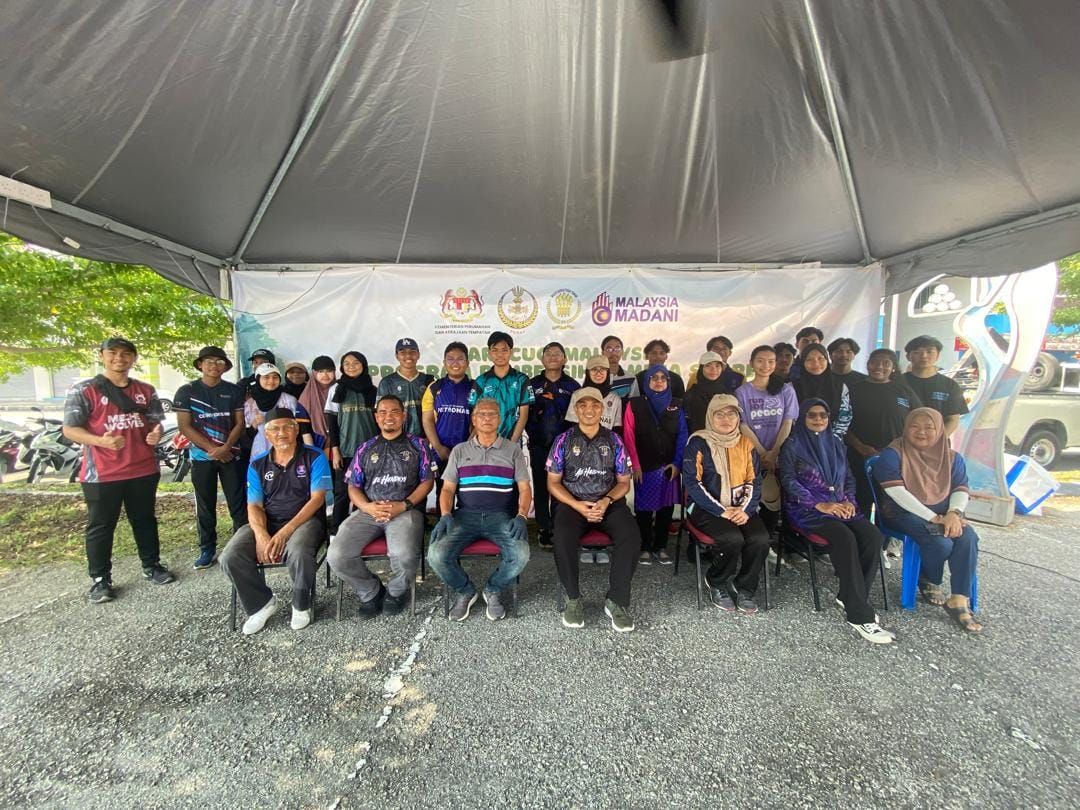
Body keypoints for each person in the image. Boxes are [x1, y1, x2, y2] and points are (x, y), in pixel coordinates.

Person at [62, 337, 174, 602]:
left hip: (143, 468)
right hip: (102, 473)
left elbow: (155, 422)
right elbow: (70, 429)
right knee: (101, 525)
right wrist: (101, 441)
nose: (119, 358)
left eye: (126, 354)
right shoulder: (85, 390)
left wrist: (156, 433)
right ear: (101, 355)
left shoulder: (145, 390)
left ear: (134, 358)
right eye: (112, 353)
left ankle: (152, 565)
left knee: (145, 519)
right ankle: (100, 580)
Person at [779, 399, 895, 644]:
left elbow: (849, 478)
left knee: (873, 536)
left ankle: (849, 595)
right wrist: (819, 504)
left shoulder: (836, 443)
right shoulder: (792, 445)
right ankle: (859, 615)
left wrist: (849, 501)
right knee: (844, 537)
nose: (818, 419)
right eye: (812, 415)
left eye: (823, 415)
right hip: (808, 510)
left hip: (840, 505)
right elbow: (788, 480)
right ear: (803, 417)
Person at [219, 408, 332, 635]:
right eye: (275, 429)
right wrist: (262, 535)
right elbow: (254, 506)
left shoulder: (315, 456)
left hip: (305, 521)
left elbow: (317, 499)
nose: (282, 433)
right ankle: (261, 604)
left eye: (287, 427)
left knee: (299, 551)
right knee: (230, 556)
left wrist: (285, 532)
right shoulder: (257, 464)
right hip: (269, 520)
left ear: (296, 430)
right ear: (267, 434)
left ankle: (301, 604)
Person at [872, 408, 982, 633]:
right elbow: (896, 493)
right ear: (906, 428)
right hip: (901, 512)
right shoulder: (893, 454)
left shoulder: (952, 457)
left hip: (944, 514)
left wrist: (954, 514)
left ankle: (959, 598)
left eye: (929, 427)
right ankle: (927, 577)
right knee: (940, 542)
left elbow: (961, 488)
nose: (921, 432)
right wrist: (934, 518)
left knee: (968, 537)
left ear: (940, 429)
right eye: (915, 426)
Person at [328, 395, 436, 618]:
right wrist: (367, 507)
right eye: (383, 412)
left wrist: (405, 504)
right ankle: (370, 591)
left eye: (395, 412)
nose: (389, 417)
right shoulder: (365, 447)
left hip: (405, 511)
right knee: (337, 555)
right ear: (376, 417)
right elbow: (353, 486)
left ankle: (396, 592)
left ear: (403, 416)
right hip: (369, 511)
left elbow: (427, 481)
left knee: (404, 555)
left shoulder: (419, 445)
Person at [427, 398, 533, 621]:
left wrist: (522, 515)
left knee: (521, 555)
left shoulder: (512, 450)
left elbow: (525, 488)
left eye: (492, 414)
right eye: (481, 414)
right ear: (473, 420)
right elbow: (447, 489)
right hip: (465, 517)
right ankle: (465, 591)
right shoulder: (459, 450)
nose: (487, 418)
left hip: (500, 517)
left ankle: (493, 589)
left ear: (499, 419)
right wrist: (445, 515)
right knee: (436, 555)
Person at [546, 387, 641, 632]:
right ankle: (573, 598)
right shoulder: (564, 440)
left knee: (631, 537)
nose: (589, 410)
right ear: (576, 409)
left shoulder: (614, 440)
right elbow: (553, 483)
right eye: (583, 405)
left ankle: (616, 601)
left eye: (595, 405)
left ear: (602, 409)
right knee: (562, 537)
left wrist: (606, 500)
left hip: (608, 502)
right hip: (573, 503)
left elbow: (623, 482)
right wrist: (576, 504)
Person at [681, 394, 769, 613]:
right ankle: (717, 581)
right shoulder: (698, 442)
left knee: (760, 539)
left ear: (738, 417)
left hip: (741, 507)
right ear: (710, 416)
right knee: (732, 538)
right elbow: (692, 482)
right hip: (705, 508)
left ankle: (745, 586)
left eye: (731, 413)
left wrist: (745, 510)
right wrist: (721, 510)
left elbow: (754, 481)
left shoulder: (746, 443)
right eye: (719, 414)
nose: (726, 419)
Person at [173, 346, 247, 570]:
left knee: (238, 502)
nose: (214, 366)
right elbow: (184, 426)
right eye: (209, 361)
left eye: (219, 362)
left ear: (225, 366)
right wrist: (213, 449)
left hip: (231, 455)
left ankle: (241, 546)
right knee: (205, 504)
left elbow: (240, 423)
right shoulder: (187, 391)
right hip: (202, 456)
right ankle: (207, 548)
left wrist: (226, 448)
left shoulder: (233, 390)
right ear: (200, 365)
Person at [623, 365, 687, 565]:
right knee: (643, 508)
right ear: (647, 381)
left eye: (663, 378)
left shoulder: (676, 404)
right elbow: (628, 435)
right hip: (644, 466)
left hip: (669, 467)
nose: (659, 381)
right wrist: (635, 464)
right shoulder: (634, 405)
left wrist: (677, 463)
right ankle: (644, 546)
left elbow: (682, 435)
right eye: (654, 378)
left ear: (668, 382)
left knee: (666, 508)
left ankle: (661, 546)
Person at [845, 348, 922, 515]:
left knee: (890, 505)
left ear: (893, 367)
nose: (879, 366)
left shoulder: (903, 390)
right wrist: (860, 447)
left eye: (886, 363)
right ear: (868, 365)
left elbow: (918, 420)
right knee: (861, 502)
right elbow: (843, 424)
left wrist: (899, 449)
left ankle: (886, 532)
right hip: (859, 457)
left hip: (896, 457)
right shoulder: (853, 390)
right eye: (874, 362)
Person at [735, 345, 798, 534]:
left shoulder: (786, 390)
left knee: (774, 501)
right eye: (760, 361)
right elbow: (743, 425)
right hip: (752, 454)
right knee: (751, 500)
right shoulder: (742, 392)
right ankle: (753, 540)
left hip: (781, 455)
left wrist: (774, 453)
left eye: (771, 361)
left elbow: (787, 422)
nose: (766, 365)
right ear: (751, 363)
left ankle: (768, 540)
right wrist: (763, 453)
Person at [527, 342, 580, 548]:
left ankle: (560, 526)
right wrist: (533, 436)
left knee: (562, 487)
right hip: (539, 445)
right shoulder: (532, 384)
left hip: (565, 448)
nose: (552, 357)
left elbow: (577, 418)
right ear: (542, 359)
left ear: (564, 359)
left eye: (557, 353)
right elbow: (525, 414)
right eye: (548, 353)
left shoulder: (573, 386)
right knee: (541, 487)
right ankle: (544, 527)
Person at [325, 351, 378, 532]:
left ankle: (357, 530)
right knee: (342, 492)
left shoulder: (373, 390)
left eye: (356, 363)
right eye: (346, 363)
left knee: (364, 491)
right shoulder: (336, 389)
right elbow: (332, 422)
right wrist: (335, 450)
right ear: (341, 367)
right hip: (345, 450)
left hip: (371, 450)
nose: (351, 366)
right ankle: (336, 531)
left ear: (363, 365)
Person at [421, 341, 474, 508]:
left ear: (467, 363)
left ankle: (464, 524)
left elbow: (479, 422)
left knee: (466, 494)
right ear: (444, 362)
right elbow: (427, 420)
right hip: (440, 452)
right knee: (443, 492)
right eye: (450, 359)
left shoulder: (475, 388)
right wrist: (438, 448)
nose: (455, 363)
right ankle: (443, 522)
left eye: (460, 359)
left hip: (468, 452)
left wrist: (467, 447)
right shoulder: (434, 387)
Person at [468, 331, 535, 441]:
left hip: (511, 442)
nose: (500, 355)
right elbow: (475, 416)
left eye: (504, 350)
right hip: (484, 443)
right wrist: (473, 442)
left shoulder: (521, 379)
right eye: (495, 350)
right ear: (489, 353)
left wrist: (512, 443)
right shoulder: (481, 381)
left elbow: (523, 416)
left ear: (511, 352)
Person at [902, 335, 969, 436]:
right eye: (917, 352)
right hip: (900, 442)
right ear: (908, 356)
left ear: (937, 355)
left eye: (929, 352)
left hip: (936, 441)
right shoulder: (897, 383)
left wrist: (937, 441)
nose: (924, 356)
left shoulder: (950, 385)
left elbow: (952, 420)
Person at [245, 363, 313, 458]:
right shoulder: (250, 403)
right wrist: (254, 425)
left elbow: (300, 427)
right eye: (266, 377)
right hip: (261, 452)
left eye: (275, 377)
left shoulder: (289, 400)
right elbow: (246, 436)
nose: (271, 381)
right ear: (258, 379)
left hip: (288, 450)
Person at [377, 337, 434, 437]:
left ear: (418, 354)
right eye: (402, 352)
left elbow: (434, 413)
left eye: (412, 351)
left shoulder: (428, 380)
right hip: (397, 438)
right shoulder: (387, 382)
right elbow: (382, 416)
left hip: (425, 439)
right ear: (397, 356)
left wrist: (430, 438)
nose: (408, 355)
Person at [792, 344, 852, 438]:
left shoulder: (840, 386)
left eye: (821, 358)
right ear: (803, 363)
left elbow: (844, 417)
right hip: (799, 440)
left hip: (831, 441)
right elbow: (789, 419)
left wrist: (832, 440)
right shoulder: (791, 387)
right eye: (809, 359)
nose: (816, 363)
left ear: (827, 360)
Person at [569, 355, 624, 432]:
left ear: (608, 372)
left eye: (603, 369)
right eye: (594, 369)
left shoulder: (615, 399)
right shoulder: (577, 395)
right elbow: (571, 425)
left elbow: (616, 428)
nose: (598, 373)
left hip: (607, 439)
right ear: (588, 372)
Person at [684, 351, 732, 431]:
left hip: (724, 437)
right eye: (708, 365)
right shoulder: (691, 395)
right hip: (698, 437)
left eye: (717, 366)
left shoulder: (728, 394)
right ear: (701, 369)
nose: (713, 369)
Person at [298, 355, 336, 449]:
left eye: (329, 371)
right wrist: (312, 452)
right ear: (314, 373)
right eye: (320, 371)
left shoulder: (340, 391)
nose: (325, 375)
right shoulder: (306, 397)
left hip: (342, 444)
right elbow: (305, 430)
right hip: (317, 444)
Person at [599, 335, 639, 400]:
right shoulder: (594, 377)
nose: (613, 352)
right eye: (609, 349)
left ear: (622, 352)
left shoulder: (630, 378)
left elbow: (634, 403)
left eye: (617, 349)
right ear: (602, 353)